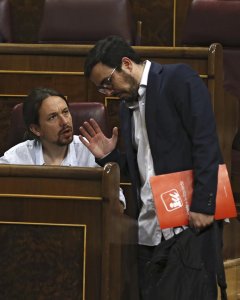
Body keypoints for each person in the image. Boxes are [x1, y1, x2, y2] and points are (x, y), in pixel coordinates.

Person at [79, 35, 227, 299]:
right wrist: (109, 156)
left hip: (190, 221)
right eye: (102, 89)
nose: (108, 93)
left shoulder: (178, 79)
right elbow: (144, 169)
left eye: (107, 82)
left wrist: (204, 205)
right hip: (151, 225)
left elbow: (206, 144)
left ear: (126, 63)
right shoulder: (126, 107)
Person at [0, 87, 125, 207]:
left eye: (65, 112)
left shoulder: (90, 150)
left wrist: (108, 159)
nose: (64, 122)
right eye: (53, 117)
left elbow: (117, 203)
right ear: (36, 129)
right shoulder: (17, 157)